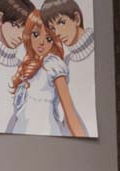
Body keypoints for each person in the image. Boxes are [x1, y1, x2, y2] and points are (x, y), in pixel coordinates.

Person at [6, 10, 87, 137]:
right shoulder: (28, 67)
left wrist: (83, 143)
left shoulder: (53, 64)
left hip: (47, 133)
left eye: (49, 38)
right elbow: (18, 115)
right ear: (29, 35)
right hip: (21, 135)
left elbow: (69, 110)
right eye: (36, 34)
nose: (42, 42)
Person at [42, 0, 94, 135]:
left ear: (76, 18)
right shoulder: (64, 63)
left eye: (61, 22)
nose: (57, 33)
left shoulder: (98, 53)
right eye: (52, 28)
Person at [0, 0, 34, 131]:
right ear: (0, 19)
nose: (20, 36)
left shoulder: (23, 69)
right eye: (16, 26)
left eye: (25, 31)